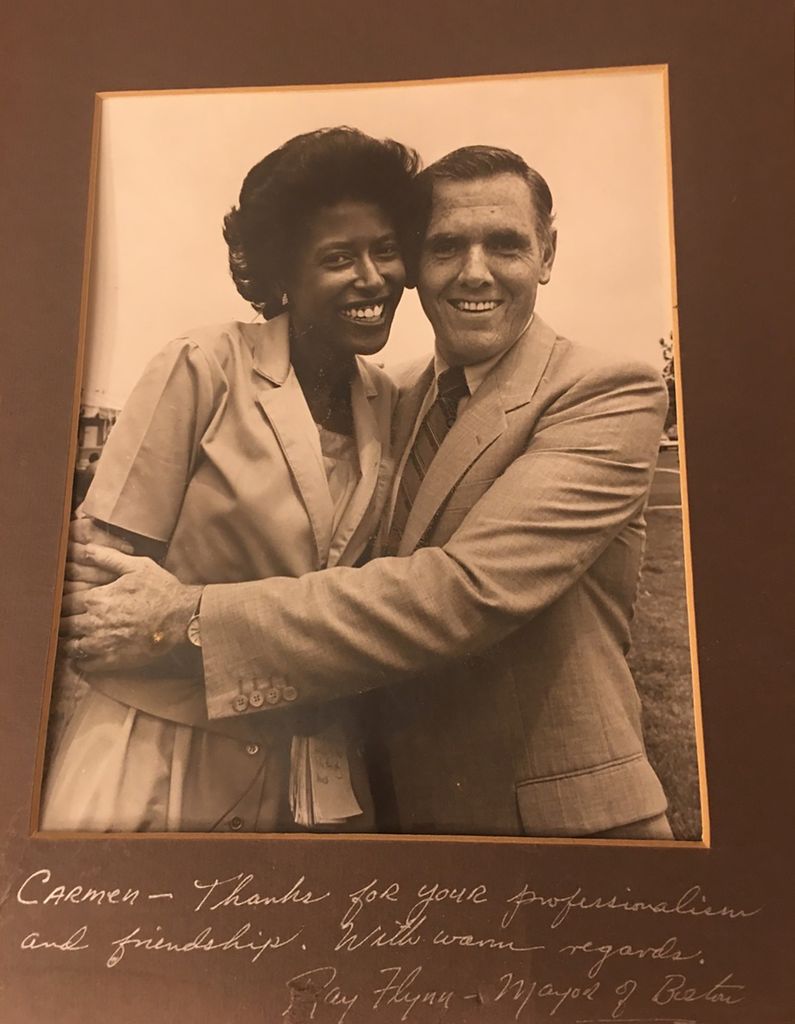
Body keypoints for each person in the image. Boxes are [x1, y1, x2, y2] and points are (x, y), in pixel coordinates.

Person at [62, 145, 671, 840]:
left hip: (556, 822)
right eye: (445, 246)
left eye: (504, 244)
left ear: (547, 253)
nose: (475, 271)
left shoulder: (604, 390)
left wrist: (187, 615)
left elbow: (463, 592)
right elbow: (97, 586)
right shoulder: (391, 395)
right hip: (372, 807)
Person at [43, 126, 421, 833]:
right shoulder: (204, 365)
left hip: (312, 776)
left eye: (386, 249)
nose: (373, 277)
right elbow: (94, 587)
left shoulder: (386, 402)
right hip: (161, 761)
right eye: (339, 257)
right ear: (282, 272)